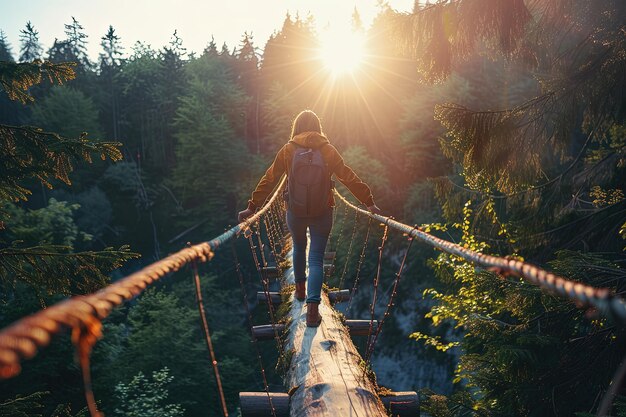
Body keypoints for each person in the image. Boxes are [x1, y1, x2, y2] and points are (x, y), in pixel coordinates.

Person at [238, 110, 381, 327]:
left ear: (296, 127)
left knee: (298, 245)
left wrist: (251, 207)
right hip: (322, 212)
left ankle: (300, 290)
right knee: (315, 258)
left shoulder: (288, 150)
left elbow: (269, 179)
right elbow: (347, 176)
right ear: (318, 127)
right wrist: (368, 201)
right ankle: (313, 310)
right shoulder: (327, 150)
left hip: (295, 212)